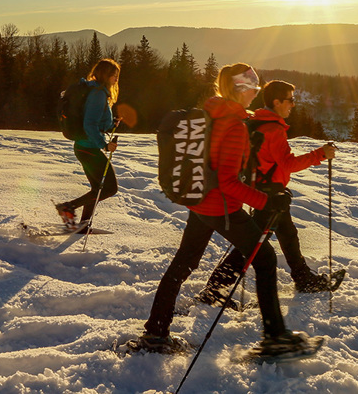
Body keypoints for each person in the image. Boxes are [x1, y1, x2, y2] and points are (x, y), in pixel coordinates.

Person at [137, 63, 311, 356]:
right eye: (252, 87)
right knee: (265, 257)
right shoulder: (234, 126)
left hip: (200, 203)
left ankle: (155, 333)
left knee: (183, 264)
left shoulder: (214, 115)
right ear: (242, 90)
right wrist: (268, 201)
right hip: (221, 207)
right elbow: (229, 182)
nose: (256, 93)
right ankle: (275, 337)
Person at [198, 80, 340, 298]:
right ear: (277, 102)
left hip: (262, 190)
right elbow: (288, 164)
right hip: (269, 195)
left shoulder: (255, 122)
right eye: (290, 100)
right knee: (253, 244)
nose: (293, 104)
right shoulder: (274, 129)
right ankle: (214, 289)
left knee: (286, 234)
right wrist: (320, 154)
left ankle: (302, 277)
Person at [55, 58, 120, 232]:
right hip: (88, 148)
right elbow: (89, 124)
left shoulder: (97, 91)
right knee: (110, 188)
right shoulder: (98, 94)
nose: (116, 79)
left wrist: (111, 124)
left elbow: (96, 122)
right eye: (114, 75)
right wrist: (104, 146)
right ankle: (68, 208)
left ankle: (83, 224)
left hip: (85, 147)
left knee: (98, 188)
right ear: (106, 75)